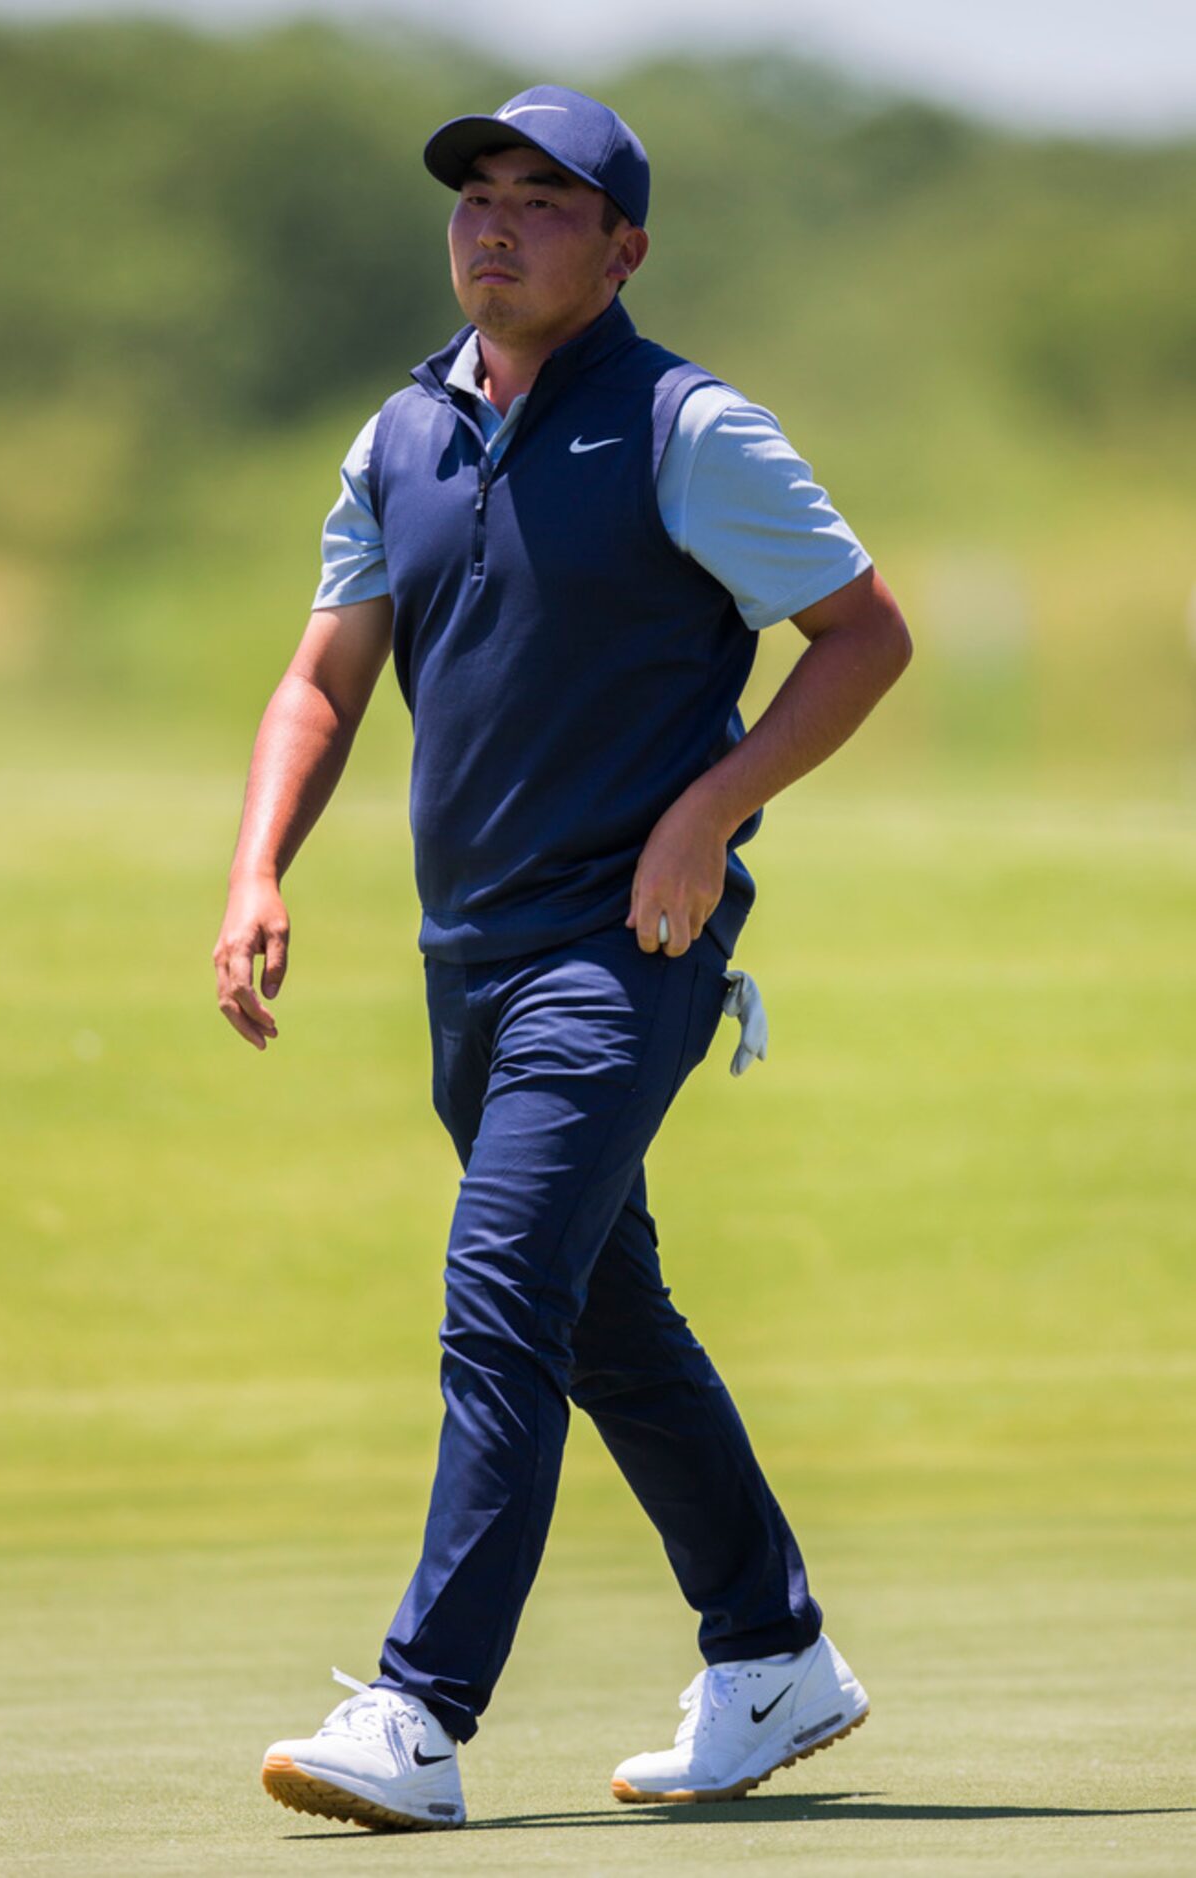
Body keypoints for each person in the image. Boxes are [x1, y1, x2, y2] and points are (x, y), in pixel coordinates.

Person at [214, 84, 911, 1834]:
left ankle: (419, 1710)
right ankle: (772, 1649)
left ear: (623, 249)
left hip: (627, 947)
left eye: (544, 199)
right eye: (477, 195)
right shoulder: (403, 436)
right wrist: (256, 870)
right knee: (608, 1317)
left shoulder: (689, 427)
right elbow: (321, 679)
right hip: (472, 957)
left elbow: (860, 633)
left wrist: (711, 811)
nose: (496, 223)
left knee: (501, 1294)